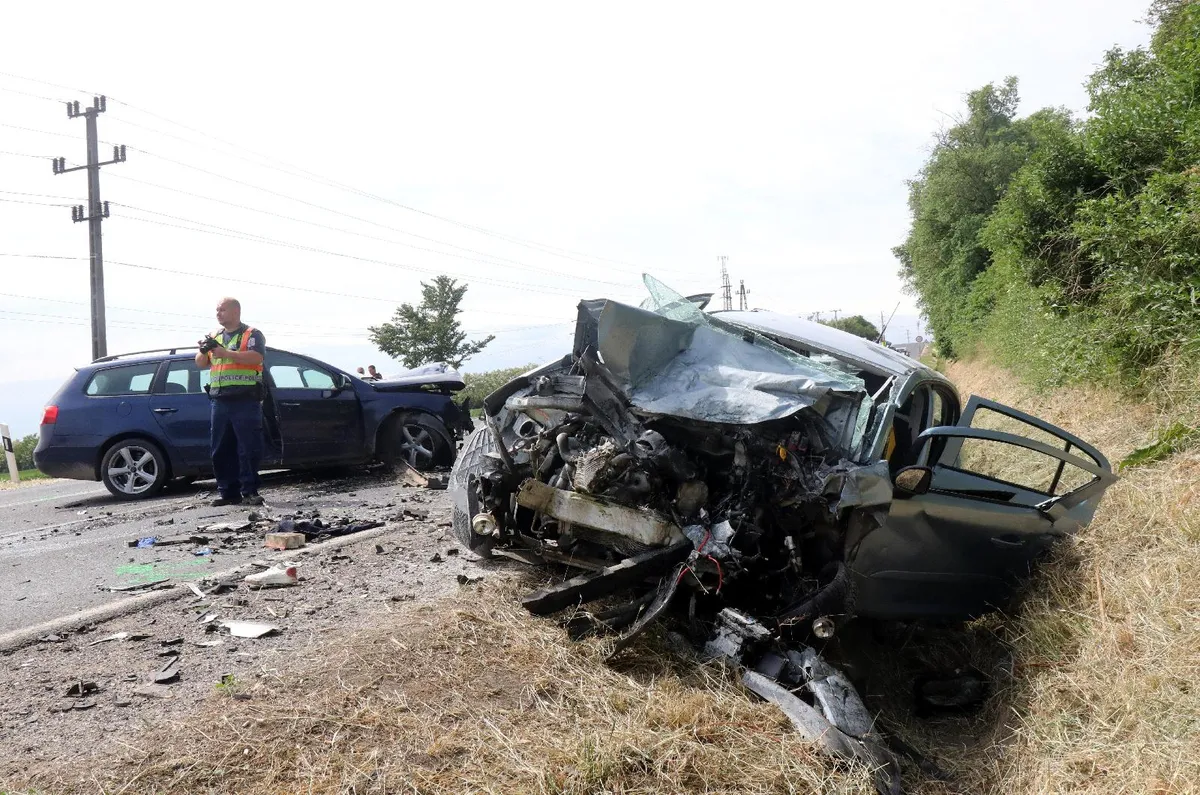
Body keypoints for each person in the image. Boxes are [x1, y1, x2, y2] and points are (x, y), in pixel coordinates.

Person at [195, 297, 267, 507]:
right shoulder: (214, 336)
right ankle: (228, 492)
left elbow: (256, 357)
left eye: (222, 310)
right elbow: (200, 363)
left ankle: (250, 491)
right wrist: (203, 350)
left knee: (247, 447)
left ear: (235, 312)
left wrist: (225, 353)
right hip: (220, 400)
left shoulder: (251, 334)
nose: (218, 313)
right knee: (220, 448)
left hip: (245, 398)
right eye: (217, 310)